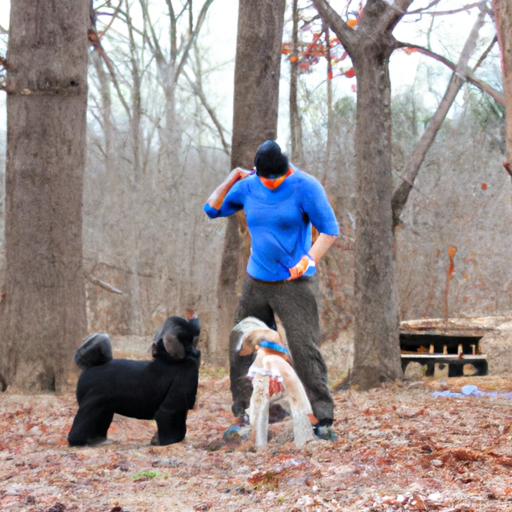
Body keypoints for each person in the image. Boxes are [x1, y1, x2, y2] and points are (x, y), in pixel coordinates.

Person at [204, 140, 339, 436]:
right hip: (256, 281)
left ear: (286, 169)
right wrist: (233, 177)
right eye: (266, 178)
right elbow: (211, 209)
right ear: (257, 172)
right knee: (245, 346)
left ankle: (322, 419)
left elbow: (330, 230)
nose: (271, 183)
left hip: (295, 283)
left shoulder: (306, 186)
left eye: (276, 178)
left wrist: (308, 259)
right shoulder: (249, 185)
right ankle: (247, 414)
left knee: (304, 348)